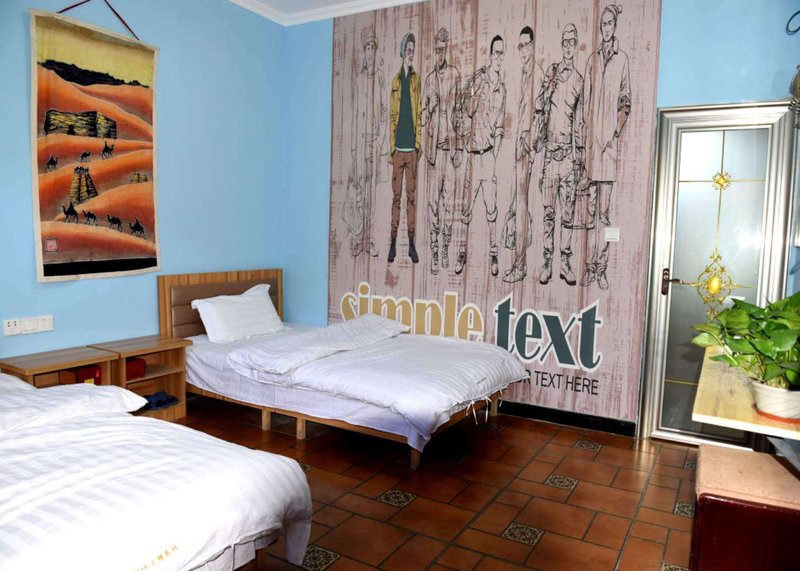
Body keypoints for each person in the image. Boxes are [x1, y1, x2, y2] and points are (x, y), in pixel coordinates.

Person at [579, 4, 631, 289]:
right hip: (591, 152)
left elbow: (626, 101)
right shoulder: (592, 60)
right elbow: (584, 103)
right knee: (589, 216)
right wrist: (583, 141)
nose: (606, 28)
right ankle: (589, 267)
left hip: (608, 151)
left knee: (605, 216)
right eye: (603, 24)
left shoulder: (622, 60)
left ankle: (601, 268)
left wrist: (614, 131)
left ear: (615, 26)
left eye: (610, 23)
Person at [534, 23, 583, 286]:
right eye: (565, 42)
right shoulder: (551, 73)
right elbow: (539, 105)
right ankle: (546, 263)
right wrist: (548, 86)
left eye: (572, 42)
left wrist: (578, 160)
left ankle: (564, 263)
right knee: (548, 214)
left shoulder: (579, 81)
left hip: (567, 159)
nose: (568, 47)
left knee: (568, 215)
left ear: (576, 46)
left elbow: (580, 123)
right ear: (561, 45)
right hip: (550, 157)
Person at [458, 34, 506, 277]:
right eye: (495, 53)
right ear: (490, 55)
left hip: (488, 157)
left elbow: (500, 127)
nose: (498, 57)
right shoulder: (478, 79)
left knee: (492, 209)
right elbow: (466, 109)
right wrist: (474, 93)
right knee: (466, 209)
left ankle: (494, 253)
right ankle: (462, 252)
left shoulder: (502, 90)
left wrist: (495, 156)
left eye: (501, 53)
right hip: (472, 155)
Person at [344, 26, 387, 258]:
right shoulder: (360, 79)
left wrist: (380, 139)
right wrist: (353, 150)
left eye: (373, 47)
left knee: (371, 196)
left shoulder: (380, 78)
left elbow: (384, 112)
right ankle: (358, 240)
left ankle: (369, 240)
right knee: (358, 192)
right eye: (367, 47)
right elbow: (354, 116)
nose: (370, 51)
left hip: (373, 144)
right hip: (359, 146)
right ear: (364, 51)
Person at [422, 27, 461, 275]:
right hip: (434, 153)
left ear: (447, 50)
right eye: (436, 50)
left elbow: (460, 111)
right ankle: (435, 250)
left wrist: (460, 146)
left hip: (450, 150)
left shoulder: (455, 75)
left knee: (450, 205)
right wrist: (430, 108)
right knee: (433, 204)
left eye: (442, 50)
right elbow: (421, 118)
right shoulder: (428, 80)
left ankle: (446, 247)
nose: (439, 54)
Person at [502, 26, 535, 283]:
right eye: (520, 46)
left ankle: (520, 265)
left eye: (526, 45)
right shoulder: (523, 74)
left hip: (528, 148)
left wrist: (528, 142)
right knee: (518, 204)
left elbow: (537, 114)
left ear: (533, 45)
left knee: (522, 207)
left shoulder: (536, 74)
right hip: (520, 147)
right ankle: (517, 262)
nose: (523, 50)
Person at [388, 32, 422, 264]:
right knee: (396, 198)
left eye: (413, 49)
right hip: (398, 150)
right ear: (403, 52)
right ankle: (392, 244)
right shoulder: (396, 82)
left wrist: (417, 146)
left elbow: (419, 113)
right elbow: (392, 116)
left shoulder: (416, 80)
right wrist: (392, 147)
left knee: (411, 199)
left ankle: (411, 244)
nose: (411, 53)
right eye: (408, 49)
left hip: (412, 151)